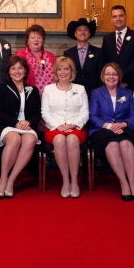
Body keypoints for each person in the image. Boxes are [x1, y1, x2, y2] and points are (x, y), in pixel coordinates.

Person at [89, 62, 134, 201]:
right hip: (102, 129)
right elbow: (93, 116)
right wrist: (110, 126)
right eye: (108, 74)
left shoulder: (127, 92)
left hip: (124, 128)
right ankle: (123, 182)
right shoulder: (96, 93)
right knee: (112, 144)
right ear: (103, 76)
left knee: (125, 143)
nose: (111, 77)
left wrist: (123, 124)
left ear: (119, 76)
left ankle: (132, 182)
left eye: (114, 74)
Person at [0, 55, 41, 198]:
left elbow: (38, 113)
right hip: (7, 125)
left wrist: (29, 122)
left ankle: (11, 180)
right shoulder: (1, 89)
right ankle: (3, 179)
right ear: (8, 71)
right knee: (14, 139)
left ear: (25, 71)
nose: (17, 71)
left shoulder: (33, 90)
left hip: (27, 126)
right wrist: (15, 122)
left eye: (20, 68)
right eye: (13, 68)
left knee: (30, 140)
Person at [41, 56, 89, 198]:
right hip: (54, 128)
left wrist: (72, 124)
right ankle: (65, 180)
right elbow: (45, 112)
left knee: (73, 140)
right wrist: (58, 126)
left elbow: (85, 112)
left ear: (71, 71)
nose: (63, 72)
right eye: (60, 69)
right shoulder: (48, 89)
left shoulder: (80, 89)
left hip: (76, 126)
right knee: (60, 140)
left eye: (66, 69)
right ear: (55, 72)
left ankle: (74, 180)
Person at [101, 5, 134, 90]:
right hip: (111, 84)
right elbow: (104, 61)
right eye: (115, 16)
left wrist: (120, 78)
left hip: (131, 84)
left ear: (126, 17)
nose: (118, 19)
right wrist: (113, 79)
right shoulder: (107, 39)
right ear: (111, 20)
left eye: (121, 16)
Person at [63, 17, 104, 95]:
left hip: (93, 93)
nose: (82, 32)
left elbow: (101, 75)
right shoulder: (68, 53)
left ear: (89, 33)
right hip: (73, 93)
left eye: (85, 30)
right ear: (75, 34)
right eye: (79, 30)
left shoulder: (98, 52)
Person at [15, 24, 56, 94]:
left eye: (39, 37)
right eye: (32, 38)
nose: (36, 40)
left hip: (51, 95)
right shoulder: (20, 55)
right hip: (29, 94)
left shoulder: (51, 56)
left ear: (43, 40)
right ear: (27, 40)